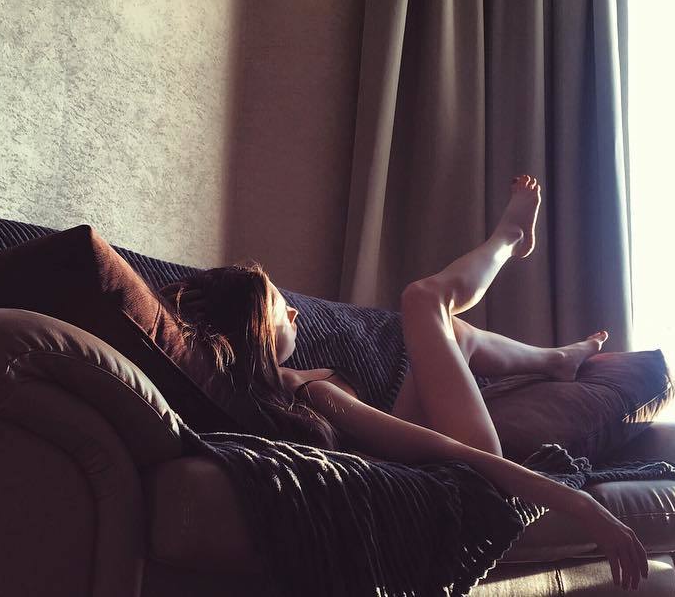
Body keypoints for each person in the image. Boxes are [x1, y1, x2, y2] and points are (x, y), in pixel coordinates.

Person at [160, 174, 649, 591]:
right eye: (279, 308)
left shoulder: (275, 387)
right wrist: (579, 503)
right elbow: (450, 451)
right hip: (462, 474)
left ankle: (555, 360)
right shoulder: (306, 392)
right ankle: (509, 238)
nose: (294, 312)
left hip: (405, 458)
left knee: (454, 332)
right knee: (423, 299)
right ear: (256, 330)